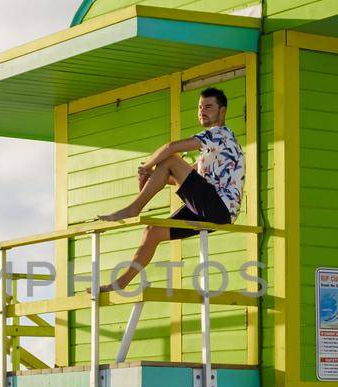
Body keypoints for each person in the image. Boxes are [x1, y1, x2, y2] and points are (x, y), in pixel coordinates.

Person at [97, 87, 245, 292]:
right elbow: (179, 179)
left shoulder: (219, 134)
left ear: (222, 111)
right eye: (200, 107)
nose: (202, 111)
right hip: (210, 208)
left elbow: (171, 148)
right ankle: (121, 282)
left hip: (219, 208)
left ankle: (134, 208)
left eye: (209, 107)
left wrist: (147, 167)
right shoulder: (212, 150)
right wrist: (154, 176)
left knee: (170, 159)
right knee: (153, 231)